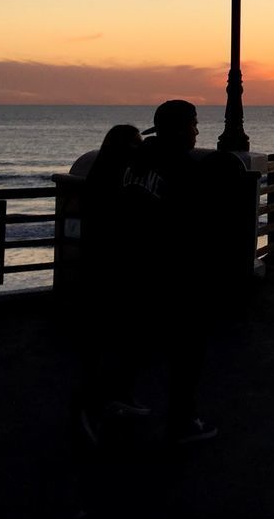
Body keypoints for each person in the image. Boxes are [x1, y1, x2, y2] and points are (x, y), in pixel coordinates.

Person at [122, 99, 221, 445]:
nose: (197, 131)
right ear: (180, 129)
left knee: (131, 341)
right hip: (173, 273)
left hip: (134, 269)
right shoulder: (182, 167)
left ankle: (114, 402)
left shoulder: (135, 162)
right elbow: (194, 225)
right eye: (193, 124)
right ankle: (182, 421)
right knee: (187, 349)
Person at [76, 124, 147, 445]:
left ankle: (119, 398)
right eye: (135, 143)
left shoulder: (114, 175)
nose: (139, 147)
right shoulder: (115, 180)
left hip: (113, 269)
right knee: (106, 338)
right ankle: (94, 407)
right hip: (110, 270)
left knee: (124, 337)